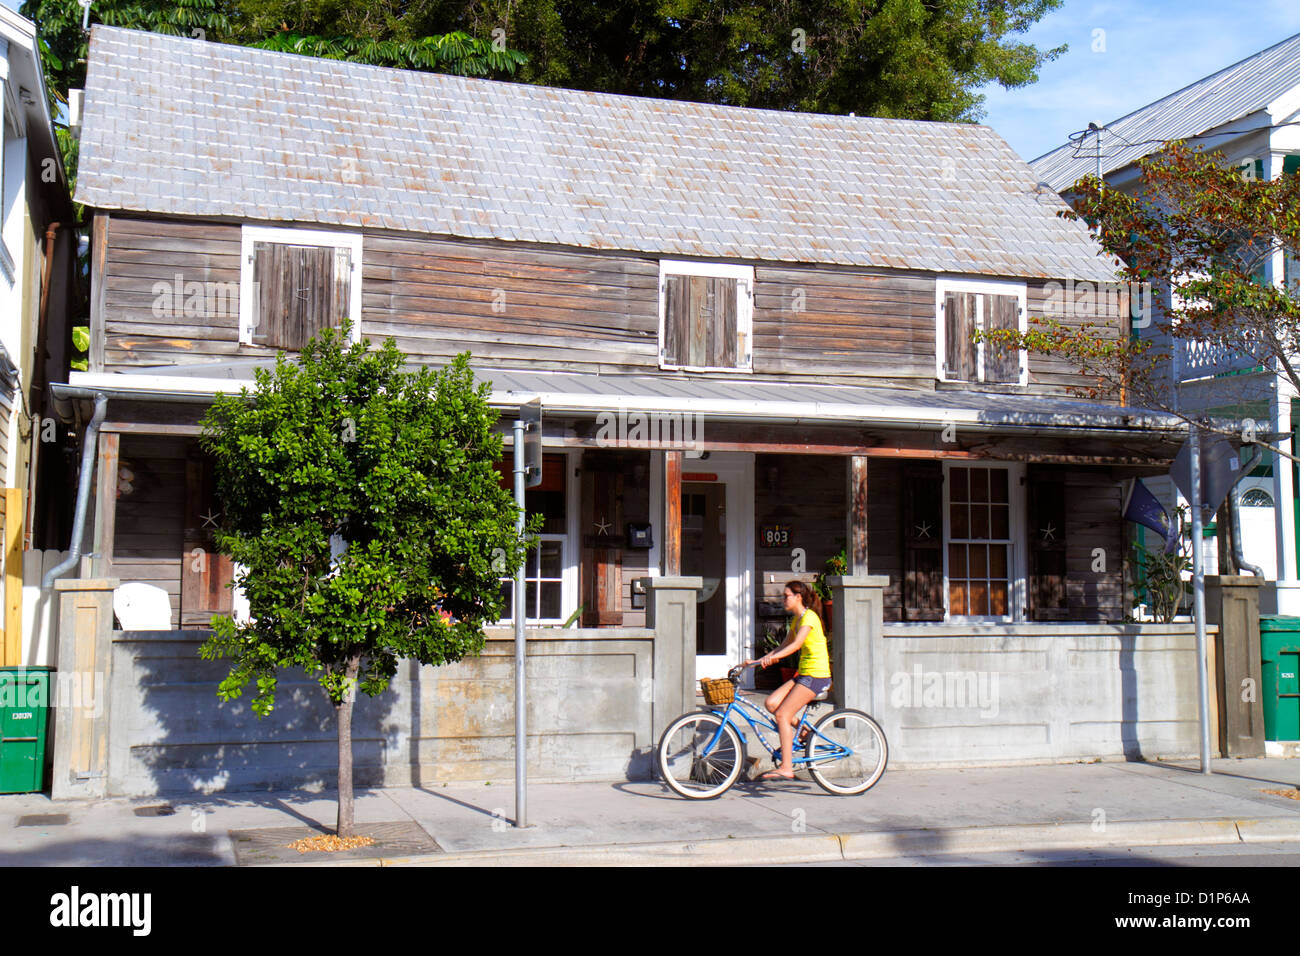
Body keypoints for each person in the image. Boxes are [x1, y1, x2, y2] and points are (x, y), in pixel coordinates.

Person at [744, 580, 831, 781]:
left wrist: (773, 658)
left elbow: (796, 645)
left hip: (816, 676)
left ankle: (786, 767)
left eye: (786, 596)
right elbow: (782, 647)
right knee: (771, 703)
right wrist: (755, 662)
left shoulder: (809, 618)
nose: (783, 599)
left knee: (783, 715)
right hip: (804, 675)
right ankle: (806, 733)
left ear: (798, 597)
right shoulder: (797, 620)